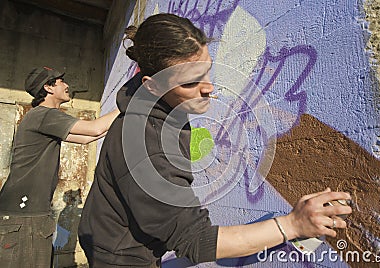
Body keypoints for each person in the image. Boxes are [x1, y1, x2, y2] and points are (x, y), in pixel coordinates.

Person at [78, 13, 352, 268]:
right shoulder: (143, 145)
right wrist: (293, 225)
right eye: (190, 82)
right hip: (119, 255)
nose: (208, 87)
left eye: (207, 71)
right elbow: (196, 241)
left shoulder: (160, 101)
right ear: (152, 84)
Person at [0, 66, 119, 267]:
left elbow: (88, 137)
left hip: (28, 216)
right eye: (60, 81)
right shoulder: (44, 115)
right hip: (25, 218)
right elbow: (95, 127)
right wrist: (131, 100)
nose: (67, 85)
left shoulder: (41, 117)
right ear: (48, 87)